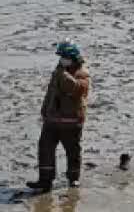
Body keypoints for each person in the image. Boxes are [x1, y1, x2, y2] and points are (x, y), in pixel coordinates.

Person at [29, 43, 91, 193]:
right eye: (61, 57)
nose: (62, 60)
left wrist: (63, 75)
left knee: (72, 150)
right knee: (45, 148)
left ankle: (73, 178)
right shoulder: (57, 72)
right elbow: (50, 93)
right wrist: (44, 110)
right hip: (52, 120)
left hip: (71, 121)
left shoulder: (82, 73)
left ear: (73, 58)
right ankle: (45, 180)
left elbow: (77, 89)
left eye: (65, 57)